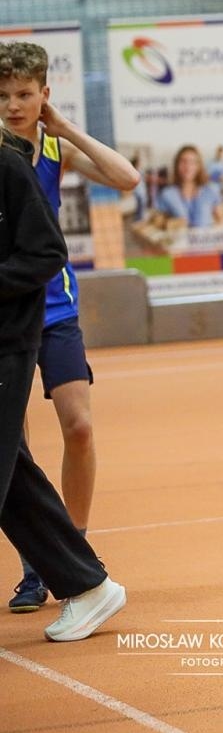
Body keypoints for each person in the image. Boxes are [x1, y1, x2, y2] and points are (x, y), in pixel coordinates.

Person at [0, 41, 139, 613]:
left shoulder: (56, 148)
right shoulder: (0, 154)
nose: (13, 105)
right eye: (3, 96)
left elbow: (127, 179)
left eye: (24, 94)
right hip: (9, 310)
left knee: (78, 426)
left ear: (44, 95)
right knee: (15, 446)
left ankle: (74, 547)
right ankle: (36, 566)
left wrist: (63, 128)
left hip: (55, 309)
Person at [157, 145, 223, 227]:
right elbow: (157, 221)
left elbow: (221, 222)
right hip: (178, 235)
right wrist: (169, 224)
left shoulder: (211, 190)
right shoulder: (167, 194)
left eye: (192, 162)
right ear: (176, 165)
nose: (188, 167)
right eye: (183, 162)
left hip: (204, 234)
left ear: (199, 166)